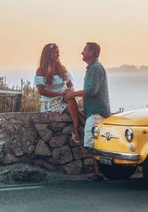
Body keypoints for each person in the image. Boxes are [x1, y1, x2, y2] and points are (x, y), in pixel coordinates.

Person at [65, 42, 110, 180]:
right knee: (94, 142)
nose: (82, 52)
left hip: (97, 112)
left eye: (84, 50)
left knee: (91, 143)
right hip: (94, 111)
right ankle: (99, 173)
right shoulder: (93, 68)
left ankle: (100, 173)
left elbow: (91, 90)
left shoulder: (95, 68)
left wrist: (72, 94)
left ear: (91, 52)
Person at [34, 43, 84, 144]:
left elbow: (70, 84)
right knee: (76, 110)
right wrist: (60, 94)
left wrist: (70, 90)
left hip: (63, 97)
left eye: (58, 53)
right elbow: (41, 91)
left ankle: (75, 129)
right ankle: (77, 130)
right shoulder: (41, 71)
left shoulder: (62, 68)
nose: (58, 55)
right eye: (55, 53)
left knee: (70, 99)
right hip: (50, 101)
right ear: (48, 54)